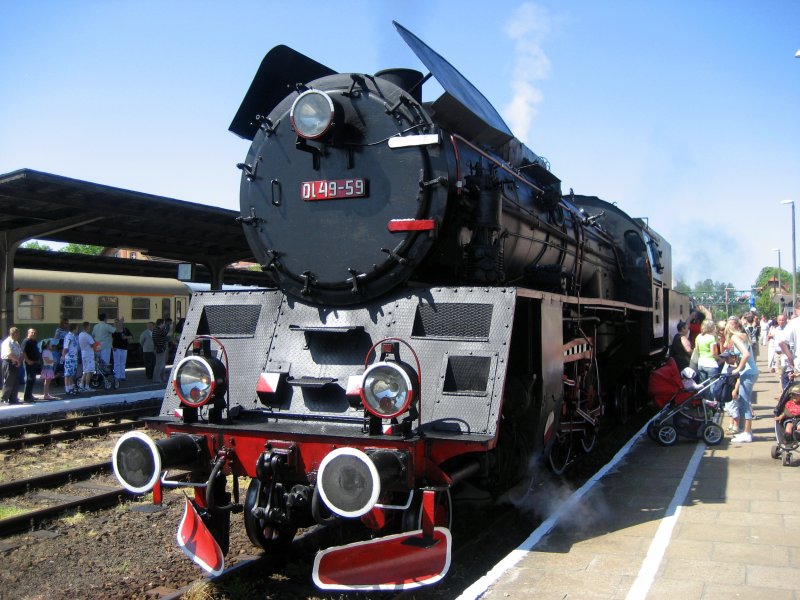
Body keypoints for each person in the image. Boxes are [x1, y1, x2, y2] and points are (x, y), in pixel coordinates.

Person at [726, 316, 759, 443]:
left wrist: (738, 369)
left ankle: (747, 433)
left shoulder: (735, 337)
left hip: (748, 372)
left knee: (744, 402)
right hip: (751, 371)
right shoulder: (743, 335)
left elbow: (746, 354)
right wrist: (736, 366)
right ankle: (747, 432)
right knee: (744, 401)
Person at [1, 327, 22, 403]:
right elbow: (9, 354)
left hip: (15, 363)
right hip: (8, 362)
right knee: (8, 381)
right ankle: (4, 398)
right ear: (14, 333)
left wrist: (19, 361)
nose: (19, 335)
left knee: (15, 381)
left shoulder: (16, 342)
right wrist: (17, 360)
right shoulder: (7, 342)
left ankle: (13, 398)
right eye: (18, 334)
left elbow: (20, 352)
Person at [21, 328, 40, 402]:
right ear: (28, 333)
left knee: (33, 379)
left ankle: (30, 395)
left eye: (35, 333)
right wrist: (28, 361)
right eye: (32, 332)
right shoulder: (26, 341)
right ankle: (27, 397)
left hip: (34, 362)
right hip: (29, 363)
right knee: (29, 379)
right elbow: (23, 352)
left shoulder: (34, 341)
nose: (34, 334)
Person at [78, 321, 97, 391]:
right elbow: (93, 344)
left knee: (85, 370)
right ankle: (87, 386)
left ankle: (81, 384)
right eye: (89, 326)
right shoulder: (87, 335)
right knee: (89, 371)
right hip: (89, 354)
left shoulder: (80, 335)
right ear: (87, 327)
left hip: (83, 353)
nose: (90, 328)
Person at [62, 323, 80, 395]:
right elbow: (66, 347)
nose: (77, 330)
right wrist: (63, 356)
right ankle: (67, 389)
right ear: (74, 329)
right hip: (69, 358)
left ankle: (71, 388)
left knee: (71, 374)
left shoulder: (74, 336)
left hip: (74, 357)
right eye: (77, 328)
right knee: (67, 374)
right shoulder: (68, 336)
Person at [152, 318, 168, 383]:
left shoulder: (156, 330)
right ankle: (156, 378)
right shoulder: (158, 330)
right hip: (160, 348)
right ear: (161, 323)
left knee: (161, 363)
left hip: (159, 348)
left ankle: (161, 377)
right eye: (164, 323)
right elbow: (167, 333)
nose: (164, 324)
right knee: (159, 364)